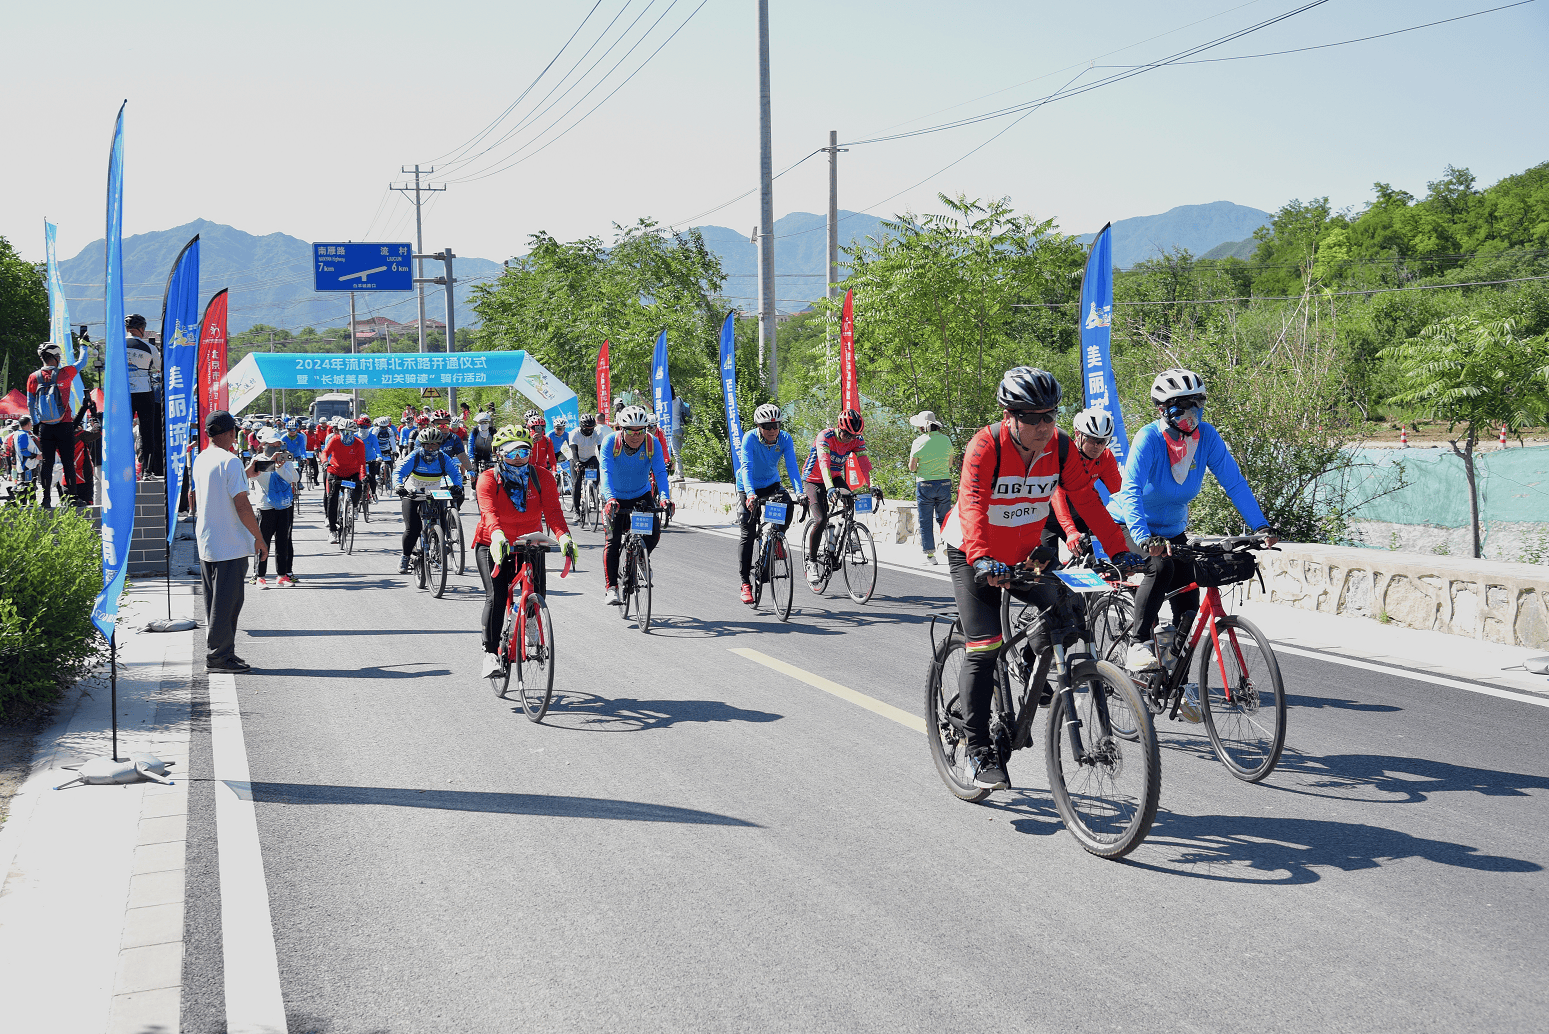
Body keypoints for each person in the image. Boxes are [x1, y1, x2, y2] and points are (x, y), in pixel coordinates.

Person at [939, 367, 1129, 791]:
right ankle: (976, 750)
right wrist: (982, 558)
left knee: (1067, 609)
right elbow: (970, 503)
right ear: (1010, 416)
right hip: (974, 552)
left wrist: (1119, 549)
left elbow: (1087, 501)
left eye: (1051, 415)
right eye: (1034, 417)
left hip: (1026, 554)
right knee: (984, 646)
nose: (1045, 425)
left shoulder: (1061, 447)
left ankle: (1032, 663)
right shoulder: (985, 445)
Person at [1115, 369, 1278, 671]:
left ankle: (1176, 674)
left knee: (1190, 593)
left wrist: (1260, 526)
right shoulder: (1149, 438)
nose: (1191, 412)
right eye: (1182, 405)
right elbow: (1131, 491)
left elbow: (1235, 483)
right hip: (1131, 525)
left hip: (1173, 531)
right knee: (1160, 567)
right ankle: (1138, 644)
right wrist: (1142, 537)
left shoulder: (1208, 438)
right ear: (1162, 409)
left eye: (1196, 403)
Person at [474, 426, 579, 677]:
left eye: (524, 451)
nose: (519, 457)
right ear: (499, 454)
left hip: (529, 541)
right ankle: (490, 654)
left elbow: (553, 511)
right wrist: (498, 535)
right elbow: (489, 512)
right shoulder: (488, 478)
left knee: (538, 591)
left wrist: (564, 536)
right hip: (493, 541)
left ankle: (530, 618)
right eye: (511, 452)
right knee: (496, 596)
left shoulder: (541, 476)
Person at [191, 410, 267, 673]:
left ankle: (223, 654)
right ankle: (218, 658)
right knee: (228, 603)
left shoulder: (202, 459)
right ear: (230, 432)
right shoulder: (230, 461)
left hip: (208, 539)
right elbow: (243, 505)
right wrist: (259, 538)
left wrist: (248, 474)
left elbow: (204, 493)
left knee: (215, 602)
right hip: (229, 542)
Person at [598, 405, 670, 606]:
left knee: (654, 533)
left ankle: (640, 558)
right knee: (613, 541)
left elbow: (660, 473)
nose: (636, 436)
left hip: (640, 494)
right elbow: (606, 472)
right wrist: (610, 498)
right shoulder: (610, 442)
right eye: (631, 431)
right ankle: (611, 588)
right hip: (616, 497)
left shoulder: (652, 443)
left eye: (641, 430)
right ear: (622, 429)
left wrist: (664, 497)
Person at [735, 402, 800, 604]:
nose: (772, 430)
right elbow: (746, 467)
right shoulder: (750, 438)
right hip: (748, 487)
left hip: (772, 485)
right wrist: (751, 495)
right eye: (767, 426)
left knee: (788, 503)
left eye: (776, 426)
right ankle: (745, 583)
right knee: (748, 531)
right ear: (759, 427)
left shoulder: (785, 439)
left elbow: (792, 466)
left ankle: (777, 539)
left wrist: (800, 491)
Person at [801, 408, 873, 586]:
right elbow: (824, 464)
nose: (850, 438)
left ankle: (846, 533)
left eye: (854, 435)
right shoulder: (825, 437)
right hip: (813, 479)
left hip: (834, 476)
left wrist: (872, 486)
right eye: (847, 434)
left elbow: (864, 463)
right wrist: (830, 489)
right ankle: (811, 562)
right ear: (839, 428)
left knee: (850, 499)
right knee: (821, 519)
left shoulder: (856, 439)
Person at [1043, 407, 1126, 558]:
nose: (1098, 447)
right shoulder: (1064, 455)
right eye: (1093, 440)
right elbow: (1058, 495)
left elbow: (1120, 493)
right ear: (1078, 434)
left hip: (1078, 514)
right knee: (1043, 569)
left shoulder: (1105, 457)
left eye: (1103, 441)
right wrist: (1070, 531)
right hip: (1046, 518)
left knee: (1095, 562)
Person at [393, 425, 464, 574]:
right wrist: (398, 485)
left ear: (439, 445)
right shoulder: (415, 456)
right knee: (413, 529)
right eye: (427, 444)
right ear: (421, 444)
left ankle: (439, 546)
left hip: (434, 493)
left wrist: (457, 486)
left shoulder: (443, 458)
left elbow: (455, 474)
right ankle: (405, 556)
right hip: (413, 493)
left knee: (442, 520)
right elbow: (399, 471)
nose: (430, 448)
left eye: (434, 444)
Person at [26, 341, 83, 508]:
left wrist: (36, 423)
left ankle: (46, 500)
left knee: (47, 463)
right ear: (56, 358)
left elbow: (30, 403)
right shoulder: (65, 373)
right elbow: (83, 362)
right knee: (67, 462)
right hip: (64, 424)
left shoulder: (33, 377)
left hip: (45, 426)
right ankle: (72, 499)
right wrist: (84, 345)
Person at [247, 429, 300, 588]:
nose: (276, 447)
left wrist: (282, 466)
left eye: (278, 444)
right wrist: (273, 464)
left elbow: (294, 478)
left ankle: (282, 575)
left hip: (284, 505)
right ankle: (260, 576)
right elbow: (261, 478)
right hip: (265, 506)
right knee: (263, 541)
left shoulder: (285, 458)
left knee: (283, 541)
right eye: (272, 444)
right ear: (264, 445)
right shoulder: (258, 460)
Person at [908, 410, 954, 565]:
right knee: (945, 518)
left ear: (922, 427)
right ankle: (950, 547)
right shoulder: (947, 440)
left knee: (925, 520)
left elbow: (912, 467)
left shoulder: (918, 442)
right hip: (944, 483)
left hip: (925, 484)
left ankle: (930, 557)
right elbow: (950, 463)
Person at [124, 314, 163, 477]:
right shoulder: (150, 348)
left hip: (124, 394)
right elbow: (160, 367)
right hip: (144, 393)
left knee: (124, 432)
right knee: (147, 433)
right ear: (141, 329)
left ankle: (124, 469)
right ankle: (147, 470)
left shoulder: (118, 345)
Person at [321, 416, 366, 543]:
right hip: (335, 472)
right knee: (332, 499)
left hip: (352, 472)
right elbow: (325, 452)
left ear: (354, 433)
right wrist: (325, 462)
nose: (346, 435)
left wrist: (363, 476)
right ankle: (332, 531)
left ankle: (354, 507)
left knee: (359, 488)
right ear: (339, 431)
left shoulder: (359, 443)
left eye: (350, 432)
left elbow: (362, 462)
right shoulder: (334, 440)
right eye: (344, 432)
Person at [566, 413, 604, 515]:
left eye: (592, 428)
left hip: (590, 457)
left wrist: (604, 463)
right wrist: (577, 463)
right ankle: (577, 511)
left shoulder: (597, 433)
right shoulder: (574, 433)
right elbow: (574, 451)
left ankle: (592, 491)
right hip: (576, 458)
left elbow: (601, 450)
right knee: (577, 483)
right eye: (587, 428)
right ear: (582, 427)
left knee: (598, 473)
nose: (589, 431)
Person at [525, 411, 558, 476]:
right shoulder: (525, 438)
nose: (538, 429)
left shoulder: (547, 440)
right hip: (527, 469)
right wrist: (531, 442)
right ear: (529, 428)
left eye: (541, 427)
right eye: (535, 427)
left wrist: (554, 471)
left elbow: (552, 458)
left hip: (542, 469)